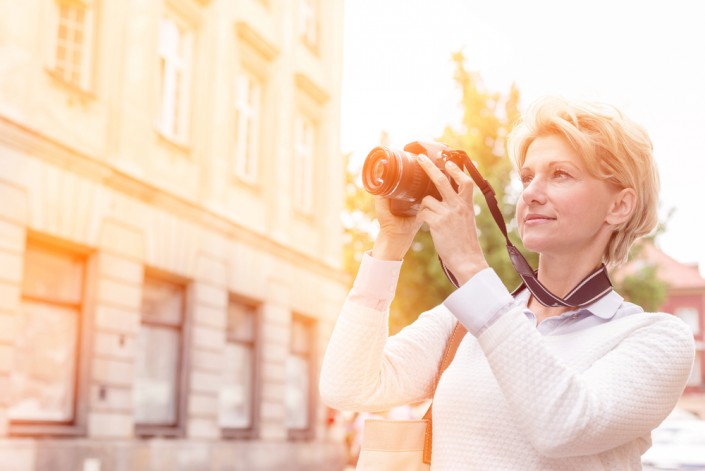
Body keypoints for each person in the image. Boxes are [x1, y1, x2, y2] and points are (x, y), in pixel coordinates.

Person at [319, 96, 695, 470]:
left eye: (560, 174)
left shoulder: (654, 338)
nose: (531, 193)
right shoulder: (463, 325)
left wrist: (469, 264)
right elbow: (347, 385)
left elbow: (563, 426)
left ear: (619, 206)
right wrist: (391, 242)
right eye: (528, 177)